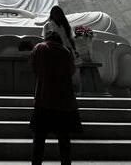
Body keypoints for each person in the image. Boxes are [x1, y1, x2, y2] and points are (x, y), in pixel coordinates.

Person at [29, 31, 82, 165]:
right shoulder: (66, 51)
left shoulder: (40, 47)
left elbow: (33, 67)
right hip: (64, 101)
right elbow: (72, 71)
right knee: (64, 140)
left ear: (46, 38)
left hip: (44, 99)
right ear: (59, 40)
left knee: (39, 141)